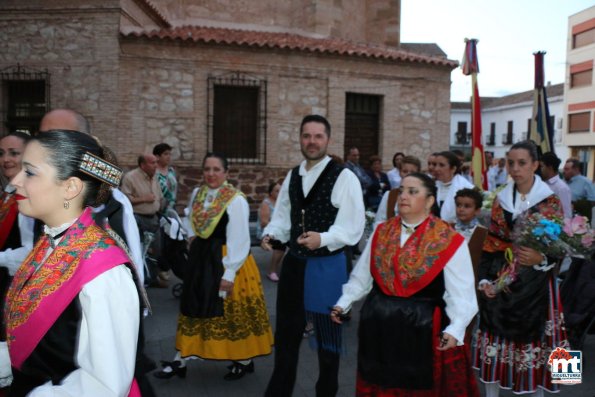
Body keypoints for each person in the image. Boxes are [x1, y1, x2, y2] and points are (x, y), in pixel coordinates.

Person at [6, 130, 141, 396]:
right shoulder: (49, 243)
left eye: (30, 172)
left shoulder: (105, 272)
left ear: (70, 187)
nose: (15, 181)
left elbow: (105, 386)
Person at [331, 173, 479, 397]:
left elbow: (461, 292)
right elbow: (361, 277)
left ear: (429, 201)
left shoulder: (448, 239)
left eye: (412, 191)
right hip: (380, 326)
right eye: (401, 191)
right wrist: (344, 303)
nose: (403, 197)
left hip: (424, 328)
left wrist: (456, 328)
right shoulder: (381, 231)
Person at [262, 115, 365, 396]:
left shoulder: (344, 177)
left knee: (327, 344)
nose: (312, 141)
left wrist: (324, 238)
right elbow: (283, 216)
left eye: (318, 136)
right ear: (300, 139)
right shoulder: (293, 175)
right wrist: (272, 234)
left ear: (328, 140)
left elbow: (353, 226)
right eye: (306, 136)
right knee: (286, 337)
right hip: (294, 265)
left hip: (328, 267)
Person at [154, 152, 273, 381]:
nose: (211, 174)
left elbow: (240, 239)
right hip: (201, 260)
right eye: (207, 169)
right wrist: (191, 238)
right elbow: (190, 220)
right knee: (193, 307)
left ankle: (244, 359)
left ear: (226, 173)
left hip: (229, 260)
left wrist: (229, 273)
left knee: (229, 314)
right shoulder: (198, 194)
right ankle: (181, 358)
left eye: (216, 169)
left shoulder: (235, 199)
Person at [473, 141, 567, 397]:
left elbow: (562, 245)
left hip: (538, 283)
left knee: (538, 344)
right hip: (503, 279)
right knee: (497, 340)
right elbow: (491, 244)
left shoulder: (551, 200)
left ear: (536, 165)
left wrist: (541, 257)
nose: (514, 169)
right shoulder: (501, 198)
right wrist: (484, 280)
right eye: (510, 163)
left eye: (521, 163)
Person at [0, 132, 35, 389]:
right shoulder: (10, 193)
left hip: (15, 291)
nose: (5, 159)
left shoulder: (28, 197)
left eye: (14, 153)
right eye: (1, 153)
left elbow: (32, 251)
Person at [121, 154, 167, 286]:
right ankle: (139, 279)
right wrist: (143, 199)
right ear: (142, 165)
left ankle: (152, 276)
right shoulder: (130, 177)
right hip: (138, 219)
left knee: (156, 249)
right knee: (139, 250)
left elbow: (159, 196)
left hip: (154, 218)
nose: (156, 166)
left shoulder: (155, 178)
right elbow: (124, 199)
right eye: (152, 163)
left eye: (156, 163)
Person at [374, 155, 421, 226]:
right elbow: (379, 221)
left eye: (412, 172)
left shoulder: (422, 196)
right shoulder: (390, 195)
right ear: (400, 173)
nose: (408, 175)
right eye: (405, 171)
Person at [434, 151, 474, 223]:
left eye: (441, 165)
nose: (436, 169)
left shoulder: (466, 187)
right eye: (435, 165)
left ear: (453, 169)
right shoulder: (433, 186)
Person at [256, 180, 284, 282]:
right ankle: (272, 271)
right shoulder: (266, 203)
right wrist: (279, 228)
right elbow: (264, 223)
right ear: (271, 192)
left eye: (280, 191)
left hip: (278, 230)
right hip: (266, 231)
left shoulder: (281, 203)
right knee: (281, 243)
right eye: (277, 191)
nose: (279, 193)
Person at [541, 152, 572, 219]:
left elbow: (567, 214)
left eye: (542, 166)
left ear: (550, 167)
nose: (540, 170)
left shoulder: (561, 188)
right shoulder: (542, 184)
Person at [153, 143, 178, 212]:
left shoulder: (171, 171)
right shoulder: (153, 173)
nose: (169, 157)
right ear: (157, 157)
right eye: (165, 154)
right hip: (158, 211)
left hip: (172, 208)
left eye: (170, 154)